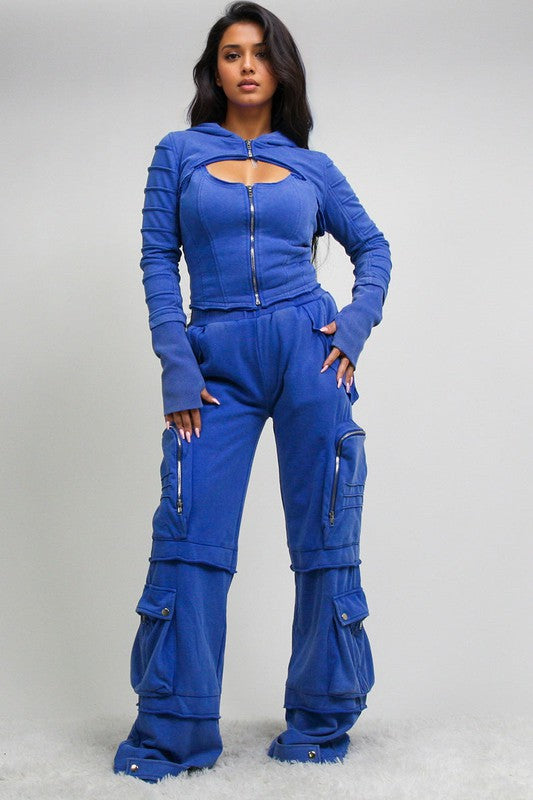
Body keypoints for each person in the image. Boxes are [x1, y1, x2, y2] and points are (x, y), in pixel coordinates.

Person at [113, 0, 392, 783]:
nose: (246, 66)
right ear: (214, 69)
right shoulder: (177, 153)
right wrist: (176, 363)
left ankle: (321, 720)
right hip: (216, 360)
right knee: (191, 535)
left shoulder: (310, 166)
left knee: (325, 536)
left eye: (260, 53)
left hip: (308, 353)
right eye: (232, 53)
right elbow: (155, 259)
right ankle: (176, 733)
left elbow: (373, 248)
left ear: (280, 69)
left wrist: (352, 328)